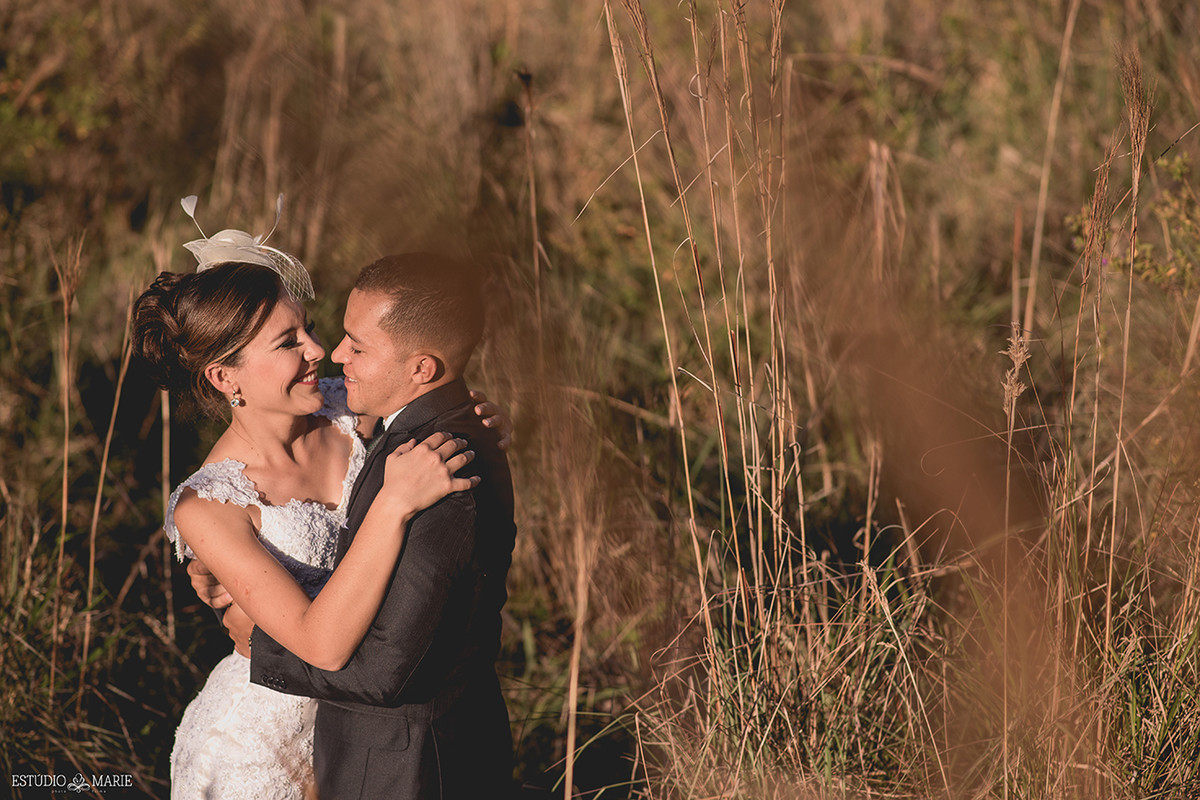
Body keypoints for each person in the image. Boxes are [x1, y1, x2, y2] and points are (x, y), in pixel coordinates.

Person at [134, 209, 511, 800]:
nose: (322, 351)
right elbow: (321, 645)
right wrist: (394, 504)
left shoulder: (344, 407)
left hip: (367, 731)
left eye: (308, 327)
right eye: (289, 343)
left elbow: (417, 391)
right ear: (224, 376)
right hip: (266, 743)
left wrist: (475, 417)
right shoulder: (208, 507)